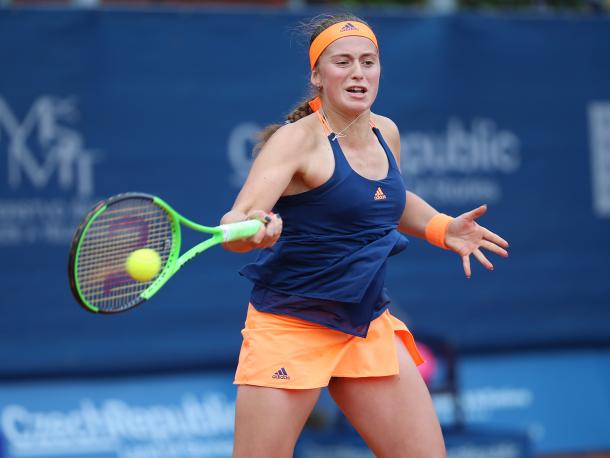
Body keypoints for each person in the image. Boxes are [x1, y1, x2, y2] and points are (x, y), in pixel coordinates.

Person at [220, 13, 509, 458]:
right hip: (290, 326)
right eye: (343, 62)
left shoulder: (385, 131)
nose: (358, 73)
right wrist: (252, 232)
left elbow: (383, 198)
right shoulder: (295, 141)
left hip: (365, 324)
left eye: (368, 61)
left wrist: (441, 227)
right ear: (317, 75)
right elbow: (236, 222)